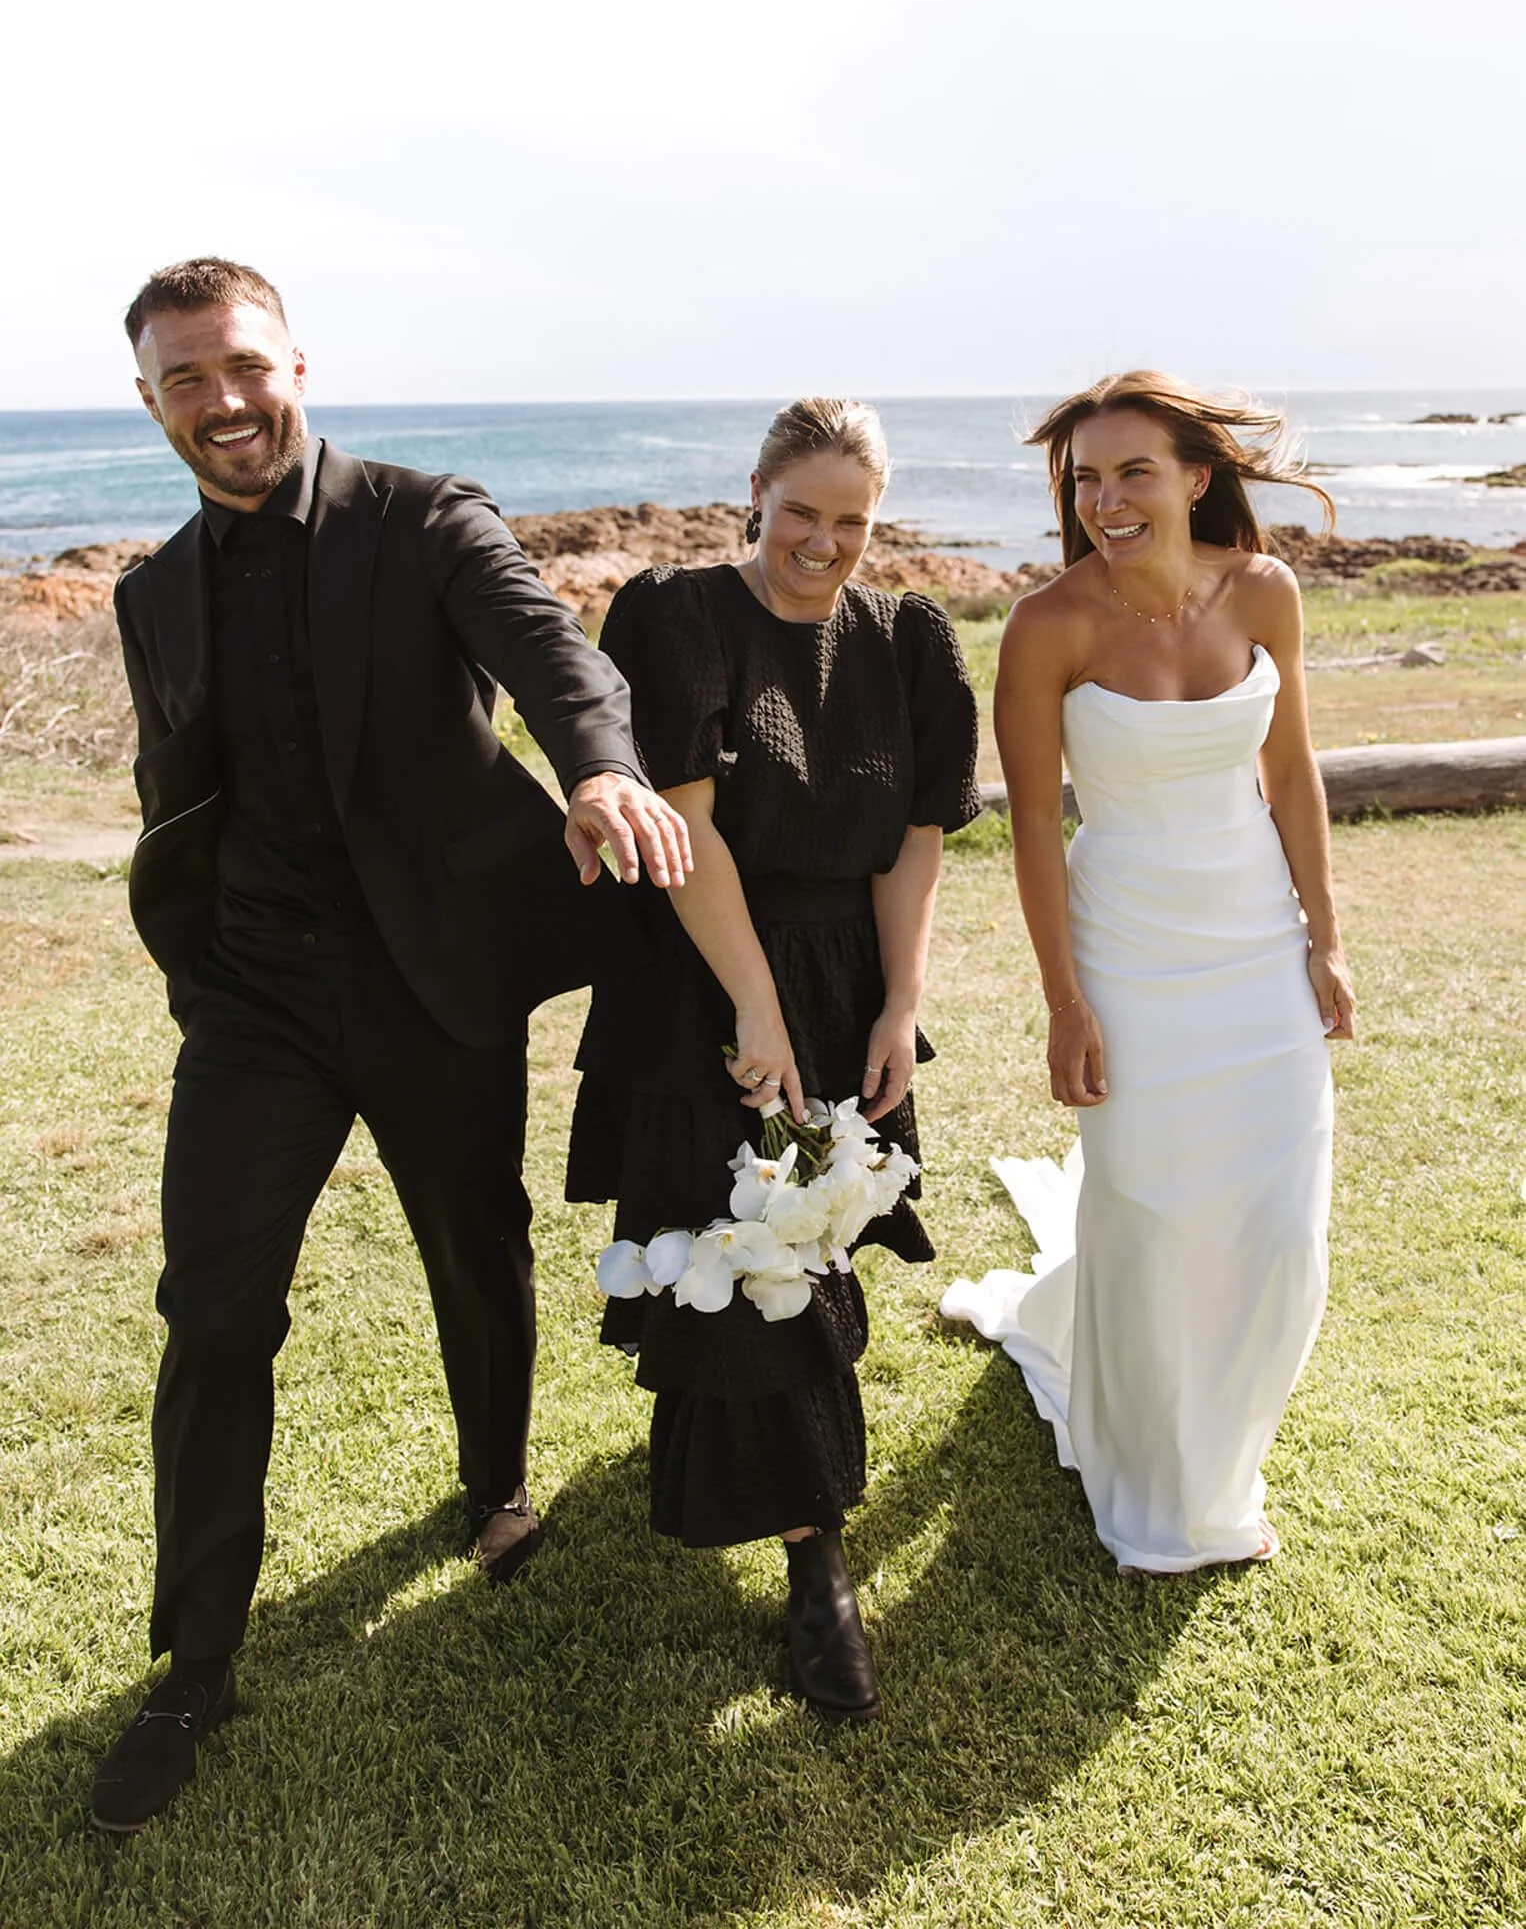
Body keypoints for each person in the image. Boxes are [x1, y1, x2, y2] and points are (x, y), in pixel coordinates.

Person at [90, 257, 690, 1832]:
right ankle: (193, 1667)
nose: (223, 403)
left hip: (432, 978)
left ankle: (494, 1485)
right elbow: (183, 791)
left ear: (296, 360)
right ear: (150, 400)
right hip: (252, 1003)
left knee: (471, 1245)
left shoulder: (423, 518)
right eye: (184, 382)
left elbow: (554, 651)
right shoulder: (150, 595)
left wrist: (600, 770)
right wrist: (201, 963)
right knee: (214, 1316)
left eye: (243, 366)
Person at [566, 398, 981, 1719]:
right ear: (753, 493)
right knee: (734, 1252)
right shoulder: (674, 619)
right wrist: (754, 1008)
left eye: (851, 521)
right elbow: (689, 831)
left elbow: (917, 839)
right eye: (799, 511)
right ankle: (819, 1567)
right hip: (706, 965)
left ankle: (775, 1519)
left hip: (846, 974)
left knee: (794, 1253)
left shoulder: (912, 639)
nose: (823, 542)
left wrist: (894, 1010)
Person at [942, 370, 1356, 1576]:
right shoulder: (1046, 624)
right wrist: (1063, 1002)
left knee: (1277, 1231)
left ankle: (1221, 1459)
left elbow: (1292, 774)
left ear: (1191, 475)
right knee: (1153, 1219)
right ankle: (1152, 1490)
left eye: (1130, 471)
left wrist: (1323, 935)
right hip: (1125, 954)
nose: (1104, 499)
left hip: (1254, 946)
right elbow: (1028, 826)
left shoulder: (1263, 592)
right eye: (1082, 478)